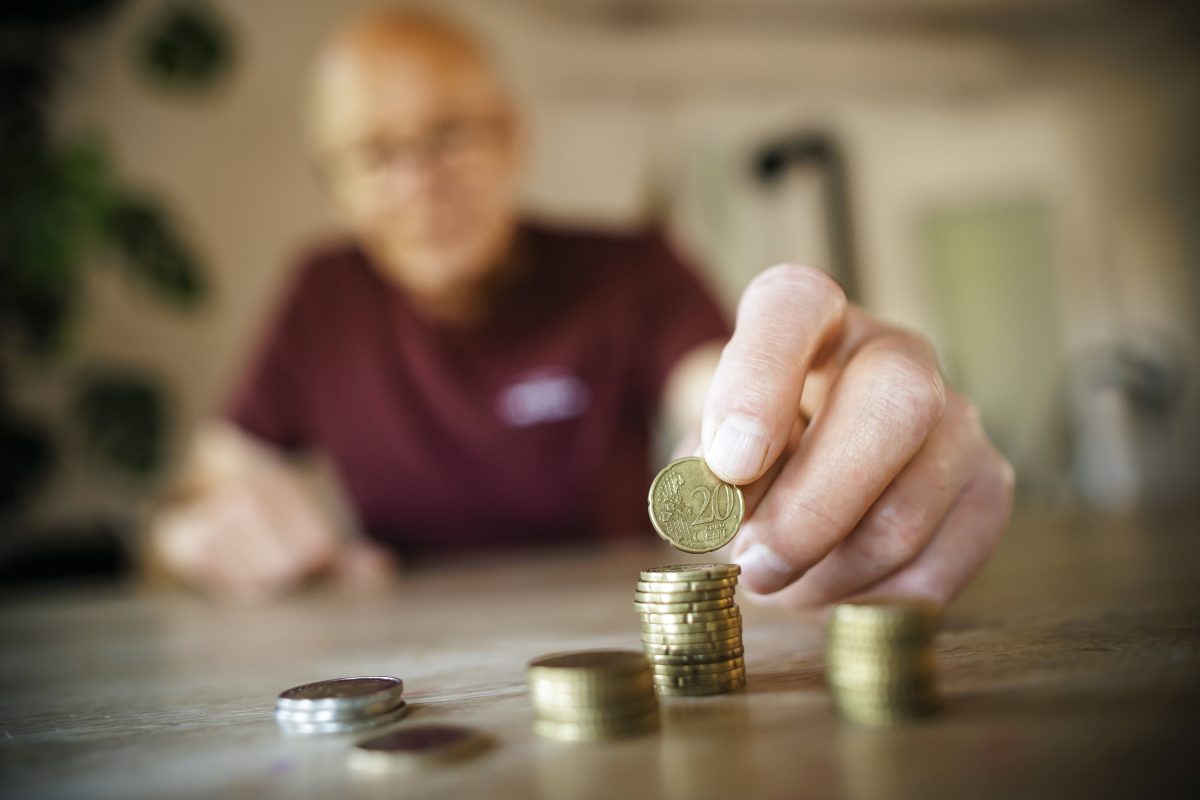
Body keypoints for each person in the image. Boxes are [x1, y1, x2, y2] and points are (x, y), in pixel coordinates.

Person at [149, 9, 1013, 607]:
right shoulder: (319, 296)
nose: (420, 181)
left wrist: (815, 408)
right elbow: (196, 492)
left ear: (510, 136)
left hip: (627, 642)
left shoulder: (633, 267)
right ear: (333, 184)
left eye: (450, 134)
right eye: (375, 154)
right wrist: (194, 537)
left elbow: (712, 393)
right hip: (411, 672)